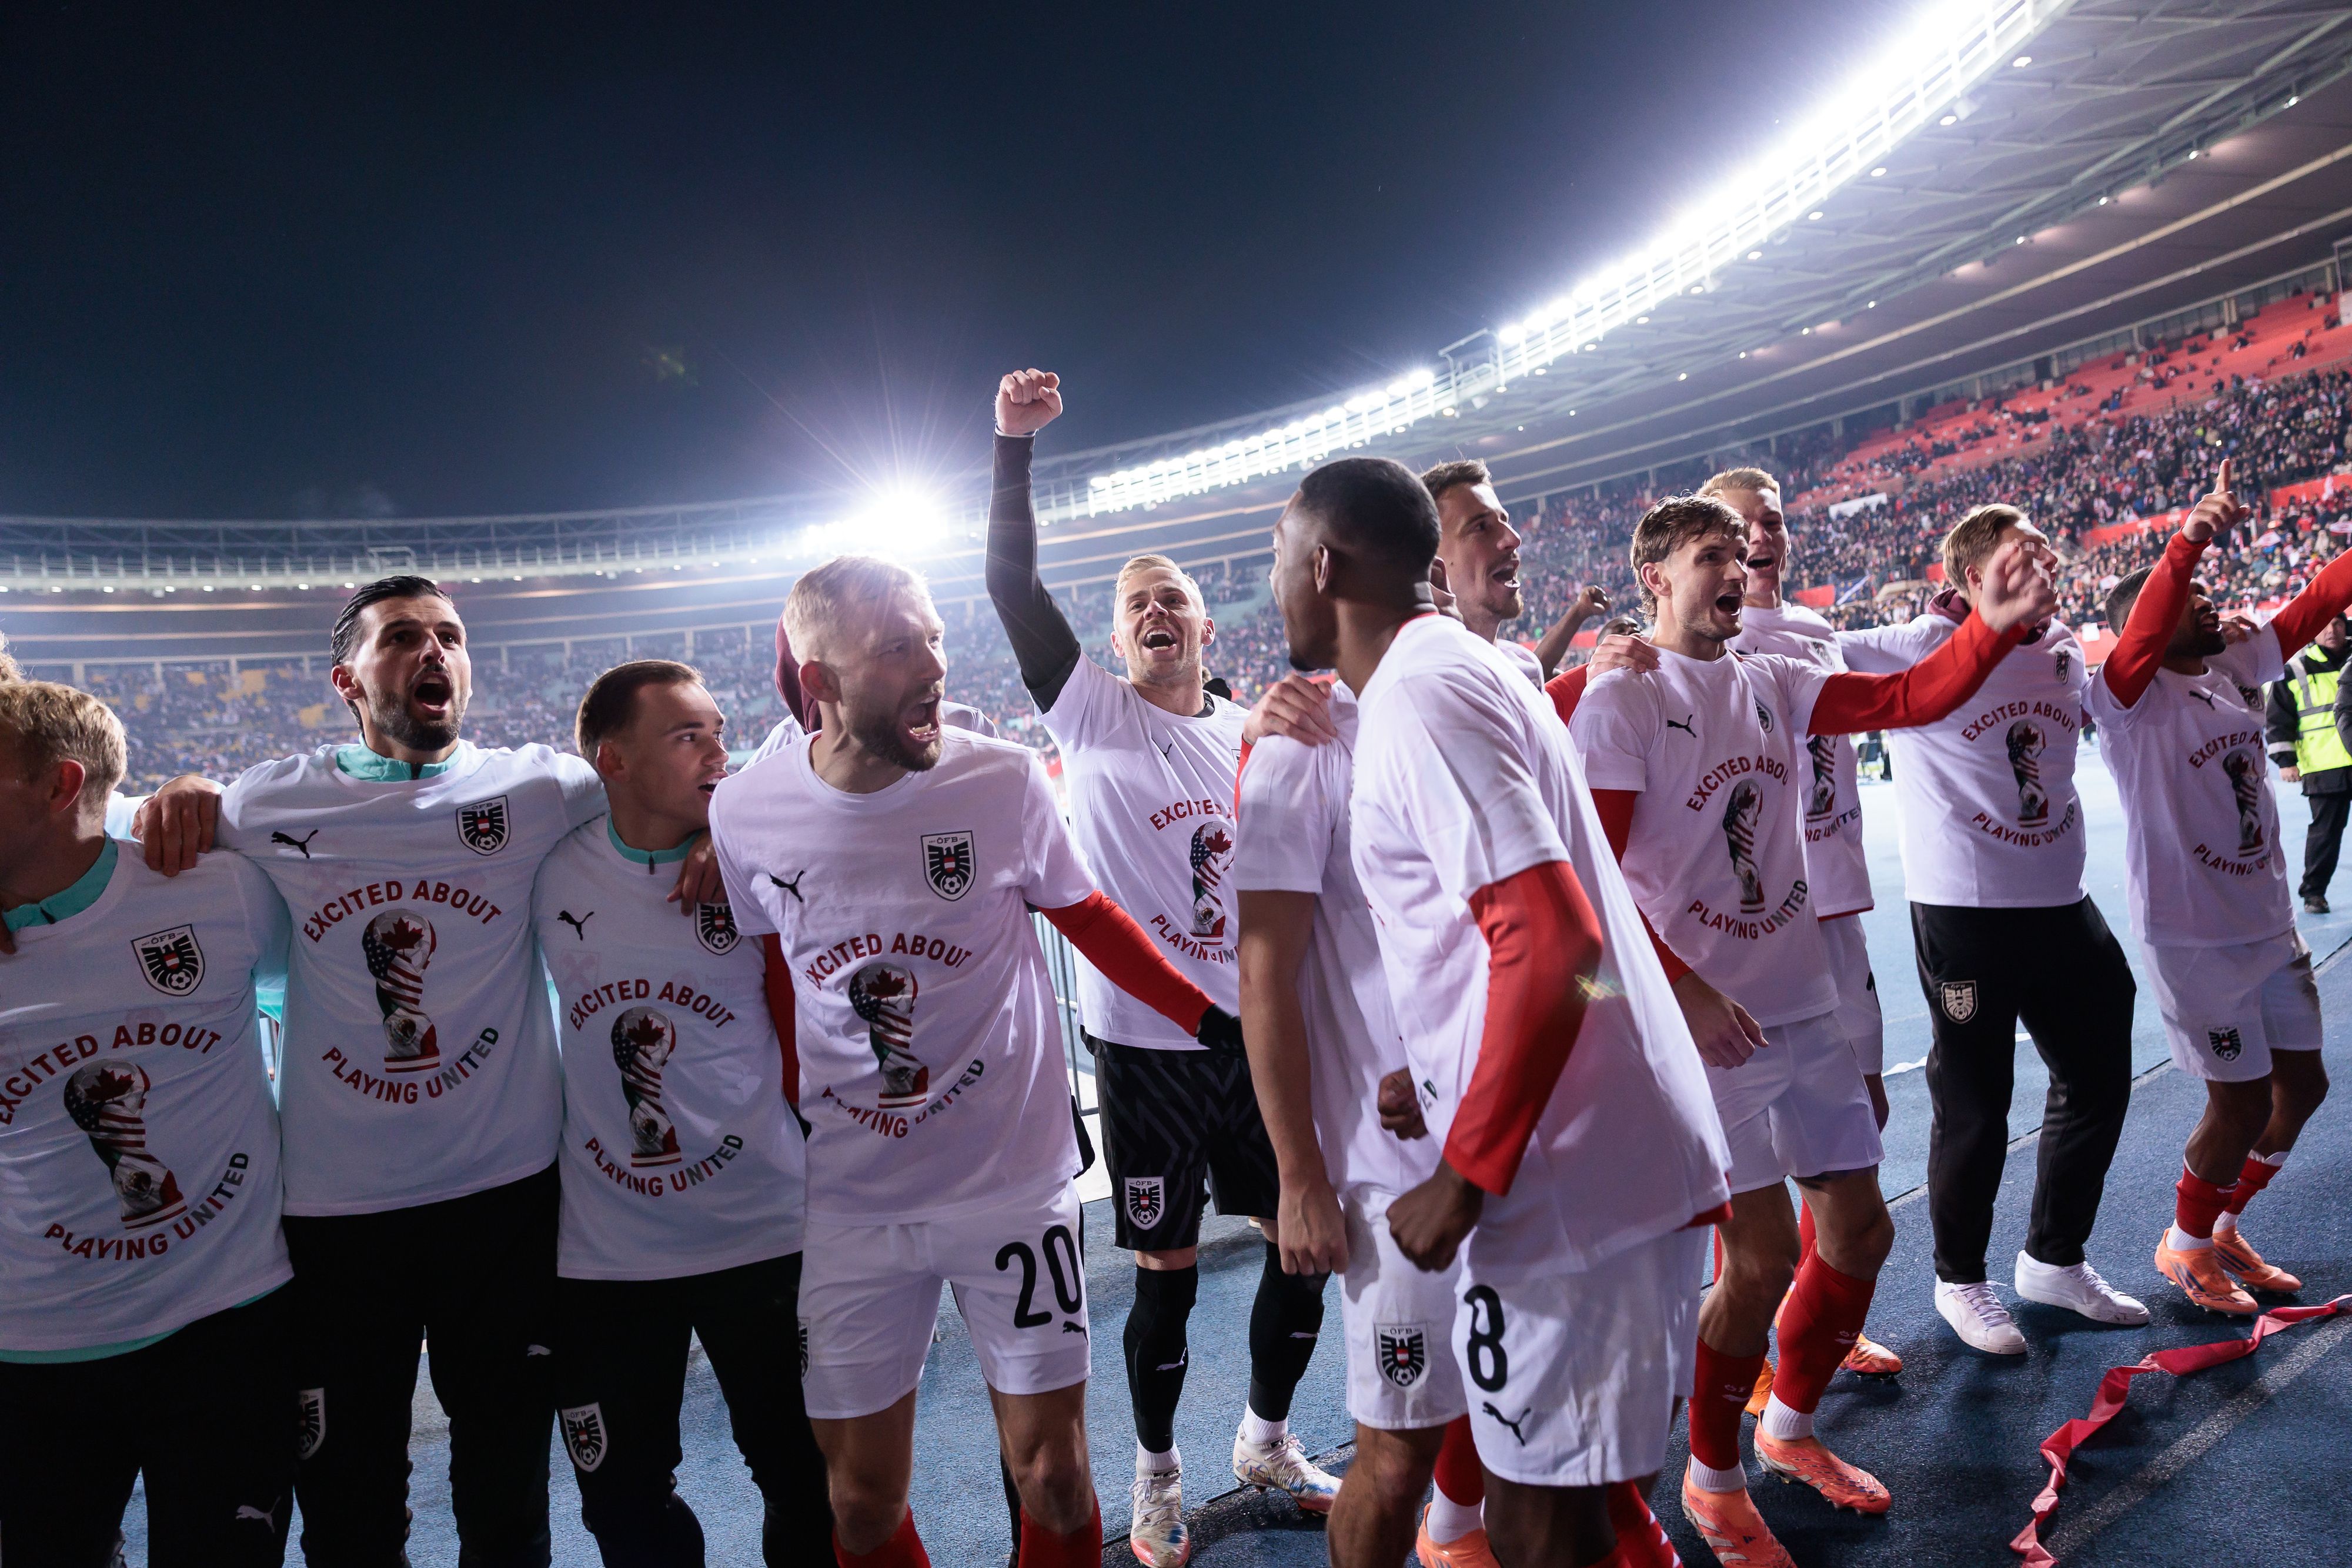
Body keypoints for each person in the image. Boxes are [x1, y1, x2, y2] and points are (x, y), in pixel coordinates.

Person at [132, 574, 719, 1566]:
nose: (434, 650)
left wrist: (721, 824)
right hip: (335, 1221)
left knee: (505, 1498)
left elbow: (681, 778)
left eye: (449, 634)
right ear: (348, 679)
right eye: (403, 636)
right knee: (353, 1514)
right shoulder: (267, 801)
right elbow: (82, 839)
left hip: (507, 1205)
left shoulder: (540, 787)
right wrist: (181, 795)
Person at [707, 554, 1248, 1568]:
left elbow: (1083, 912)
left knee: (1053, 1472)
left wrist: (1210, 1017)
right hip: (852, 1201)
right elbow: (776, 969)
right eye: (897, 647)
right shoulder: (745, 810)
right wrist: (791, 1106)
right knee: (861, 1501)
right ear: (817, 681)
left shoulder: (997, 777)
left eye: (935, 638)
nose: (934, 667)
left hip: (1012, 1178)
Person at [1568, 494, 2050, 1565]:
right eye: (1710, 557)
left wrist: (1994, 621)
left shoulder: (1769, 678)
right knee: (1757, 1258)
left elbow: (1909, 693)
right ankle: (1710, 1477)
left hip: (1801, 1008)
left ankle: (1784, 1432)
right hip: (1703, 1033)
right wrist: (1685, 988)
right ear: (1653, 576)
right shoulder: (1623, 701)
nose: (1735, 572)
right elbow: (1590, 890)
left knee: (1862, 1235)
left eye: (1739, 556)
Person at [1272, 456, 1732, 1568]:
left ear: (1323, 565)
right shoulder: (1457, 675)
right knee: (1556, 1511)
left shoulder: (1423, 698)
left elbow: (1556, 936)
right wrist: (1439, 1068)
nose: (1275, 589)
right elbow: (1570, 949)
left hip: (1566, 1184)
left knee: (1542, 1530)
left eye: (1279, 563)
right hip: (1589, 1160)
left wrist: (1465, 1164)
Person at [985, 369, 1335, 1564]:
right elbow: (1008, 586)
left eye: (1171, 598)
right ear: (1114, 629)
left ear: (1202, 625)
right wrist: (1010, 450)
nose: (1153, 612)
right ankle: (1154, 1470)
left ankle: (1267, 1436)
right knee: (1166, 1271)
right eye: (1134, 600)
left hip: (1262, 1035)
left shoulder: (1246, 728)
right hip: (1144, 1048)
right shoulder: (1090, 715)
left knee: (1303, 1237)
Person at [532, 659, 830, 1563]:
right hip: (606, 1254)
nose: (718, 752)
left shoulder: (761, 853)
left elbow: (819, 752)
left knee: (808, 1486)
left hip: (767, 1233)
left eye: (720, 732)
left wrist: (729, 833)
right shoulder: (542, 869)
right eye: (688, 734)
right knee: (624, 1510)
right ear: (610, 761)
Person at [0, 681, 298, 1567]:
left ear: (58, 785)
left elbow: (333, 998)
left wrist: (202, 794)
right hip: (32, 1353)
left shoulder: (218, 890)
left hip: (227, 1327)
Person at [1839, 507, 2150, 1355]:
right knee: (1976, 1104)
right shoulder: (1914, 642)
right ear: (1974, 576)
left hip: (2061, 900)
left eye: (2046, 549)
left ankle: (2054, 1256)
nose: (2045, 564)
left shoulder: (2059, 646)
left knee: (2099, 1075)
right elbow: (1789, 653)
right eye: (2023, 555)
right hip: (1964, 911)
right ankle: (1960, 1277)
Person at [1234, 670, 1502, 1568]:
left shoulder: (1513, 688)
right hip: (1394, 1171)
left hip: (1519, 1136)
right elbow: (1263, 967)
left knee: (1533, 1419)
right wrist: (1299, 1172)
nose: (1502, 549)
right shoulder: (1306, 736)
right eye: (1472, 528)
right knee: (1392, 1460)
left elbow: (1569, 936)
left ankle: (1458, 1533)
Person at [2085, 465, 2343, 1313]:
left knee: (2302, 1087)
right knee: (2233, 1099)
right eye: (2188, 600)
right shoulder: (2125, 696)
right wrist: (2188, 537)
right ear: (2142, 630)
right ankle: (2185, 1247)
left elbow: (2311, 606)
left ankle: (2220, 1221)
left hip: (2267, 921)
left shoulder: (2224, 666)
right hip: (2194, 934)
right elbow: (2158, 612)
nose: (2209, 605)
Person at [1706, 466, 1903, 1395]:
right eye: (1741, 525)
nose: (1763, 535)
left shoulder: (1818, 630)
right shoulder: (1710, 640)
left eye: (1773, 520)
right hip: (1760, 919)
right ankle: (1751, 1316)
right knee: (1749, 1163)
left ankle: (1813, 1308)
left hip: (1840, 907)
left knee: (1865, 1116)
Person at [1421, 459, 1609, 681]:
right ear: (1431, 567)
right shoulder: (1422, 686)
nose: (1514, 538)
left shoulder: (1523, 667)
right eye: (1481, 527)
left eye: (1504, 520)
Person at [2271, 613, 2350, 911]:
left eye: (2338, 623)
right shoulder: (2294, 669)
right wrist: (2285, 761)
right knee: (2325, 834)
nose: (2332, 630)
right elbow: (2278, 720)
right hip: (2323, 765)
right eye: (2324, 624)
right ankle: (2313, 893)